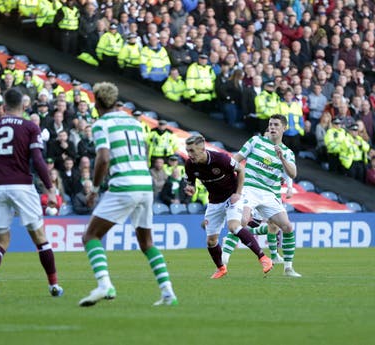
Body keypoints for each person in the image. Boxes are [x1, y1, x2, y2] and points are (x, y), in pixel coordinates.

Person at [78, 82, 177, 307]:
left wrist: (94, 189)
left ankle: (104, 285)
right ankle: (168, 292)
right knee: (147, 243)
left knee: (90, 236)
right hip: (145, 183)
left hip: (124, 184)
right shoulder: (133, 122)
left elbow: (103, 158)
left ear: (97, 102)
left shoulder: (101, 124)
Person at [0, 88, 63, 299]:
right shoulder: (30, 126)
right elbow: (38, 161)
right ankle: (54, 285)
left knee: (1, 241)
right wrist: (50, 189)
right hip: (22, 185)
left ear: (3, 106)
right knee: (40, 238)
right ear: (24, 107)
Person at [183, 134, 273, 279]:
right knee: (211, 241)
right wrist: (190, 187)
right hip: (214, 201)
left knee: (234, 226)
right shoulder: (190, 164)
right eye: (188, 151)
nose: (189, 154)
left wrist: (238, 193)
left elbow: (241, 170)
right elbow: (190, 182)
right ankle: (221, 268)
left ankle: (263, 258)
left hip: (232, 197)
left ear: (202, 149)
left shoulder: (221, 159)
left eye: (192, 151)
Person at [232, 114, 301, 277]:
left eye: (276, 125)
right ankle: (229, 247)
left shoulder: (288, 153)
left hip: (270, 194)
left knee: (287, 227)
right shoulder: (255, 141)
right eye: (270, 124)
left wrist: (282, 158)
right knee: (242, 220)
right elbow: (235, 160)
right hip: (250, 188)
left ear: (284, 128)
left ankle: (288, 268)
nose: (272, 127)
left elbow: (293, 174)